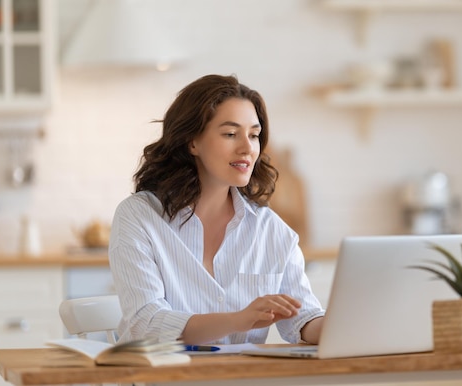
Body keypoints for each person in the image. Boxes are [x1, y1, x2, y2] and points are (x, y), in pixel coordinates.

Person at [108, 74, 325, 345]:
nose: (247, 148)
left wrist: (342, 325)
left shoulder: (270, 229)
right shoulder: (139, 217)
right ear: (192, 142)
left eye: (254, 135)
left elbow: (302, 319)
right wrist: (238, 319)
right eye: (230, 134)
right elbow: (147, 324)